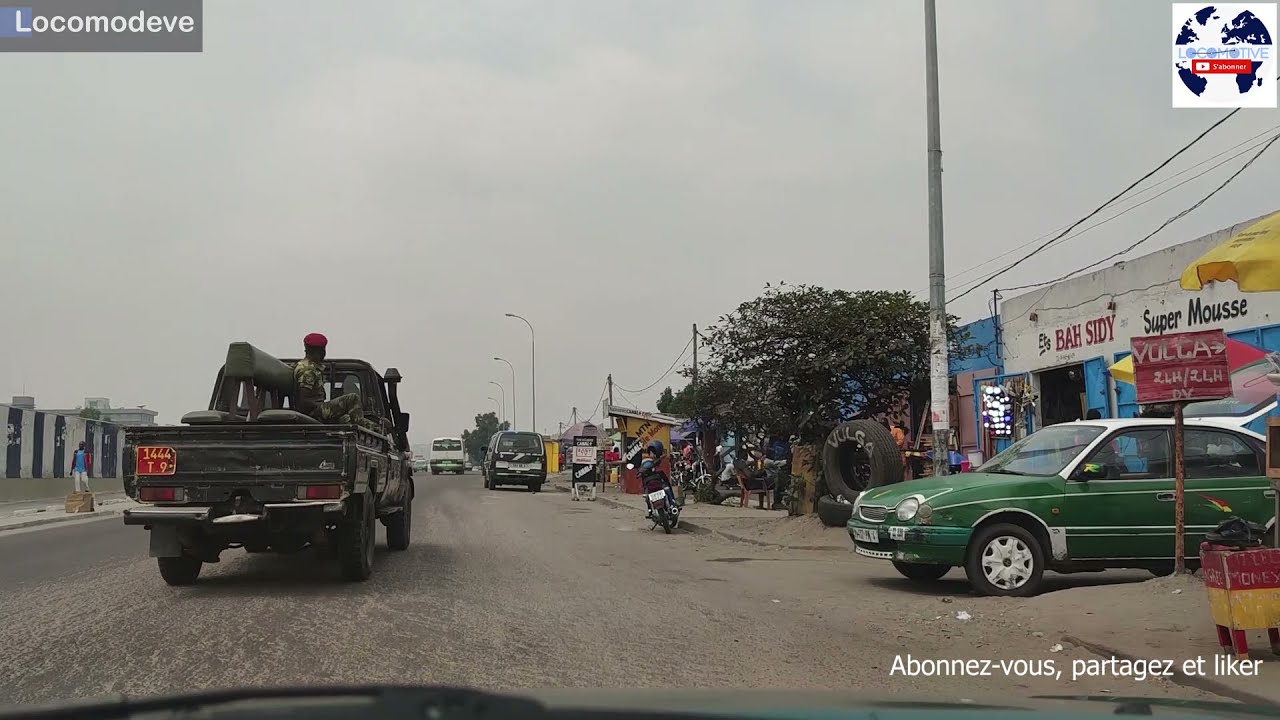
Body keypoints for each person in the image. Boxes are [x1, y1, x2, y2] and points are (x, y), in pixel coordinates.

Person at [292, 333, 384, 433]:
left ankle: (366, 431)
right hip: (313, 413)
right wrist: (328, 408)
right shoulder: (307, 369)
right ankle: (360, 433)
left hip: (316, 411)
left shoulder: (310, 367)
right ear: (322, 351)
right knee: (352, 398)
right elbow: (303, 400)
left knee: (372, 427)